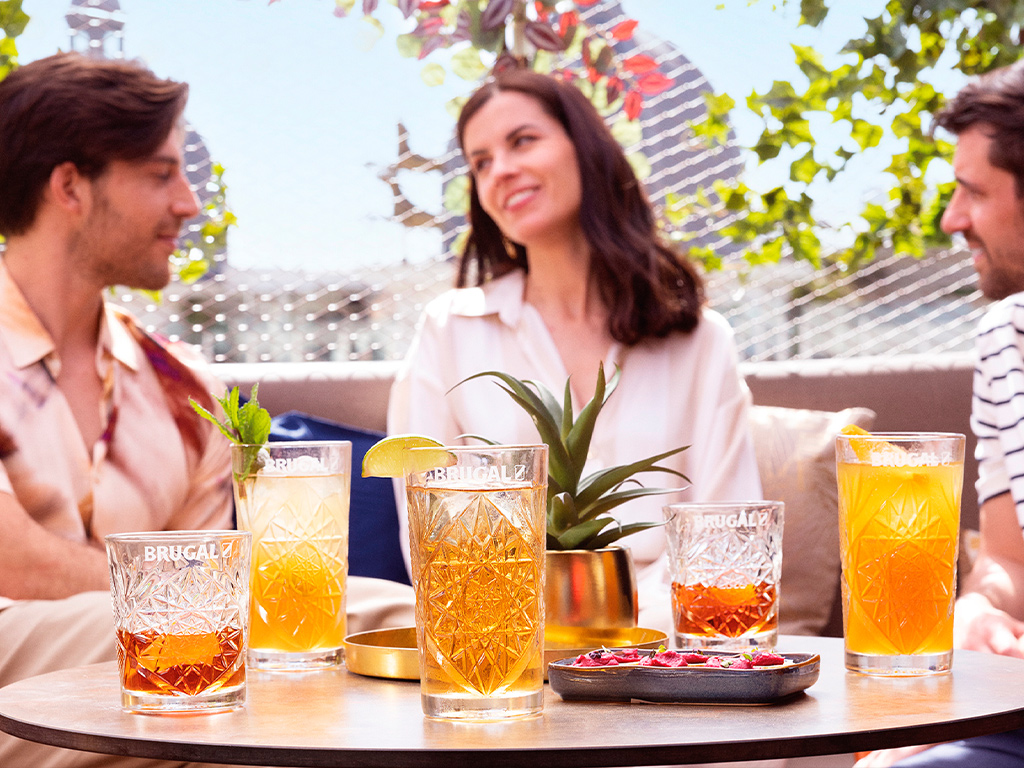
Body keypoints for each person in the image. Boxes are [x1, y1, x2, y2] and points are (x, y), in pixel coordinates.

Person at [0, 53, 412, 768]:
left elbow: (213, 575)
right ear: (69, 186)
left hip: (154, 686)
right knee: (370, 619)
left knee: (350, 656)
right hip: (19, 661)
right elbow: (17, 565)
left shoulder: (186, 390)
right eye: (161, 174)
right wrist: (206, 602)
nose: (189, 203)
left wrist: (212, 607)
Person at [387, 68, 762, 631]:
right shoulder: (450, 331)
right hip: (505, 640)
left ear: (585, 148)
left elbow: (730, 534)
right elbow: (433, 539)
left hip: (674, 642)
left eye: (522, 141)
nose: (500, 170)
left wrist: (618, 628)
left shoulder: (701, 341)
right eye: (481, 162)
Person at [855, 60, 1024, 768]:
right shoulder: (1006, 338)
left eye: (973, 192)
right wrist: (978, 609)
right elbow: (1009, 561)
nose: (952, 219)